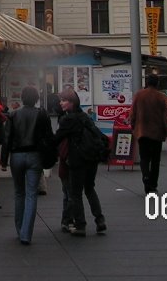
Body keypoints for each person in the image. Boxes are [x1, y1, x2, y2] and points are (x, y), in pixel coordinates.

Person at [0, 86, 55, 245]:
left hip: (16, 156)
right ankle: (26, 233)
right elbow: (48, 137)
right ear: (37, 98)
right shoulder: (42, 114)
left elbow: (7, 139)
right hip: (35, 156)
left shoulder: (13, 115)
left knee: (19, 193)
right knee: (31, 193)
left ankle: (19, 229)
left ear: (22, 98)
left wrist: (4, 161)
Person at [53, 89, 106, 237]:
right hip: (92, 158)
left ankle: (80, 224)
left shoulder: (67, 120)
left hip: (77, 160)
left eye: (64, 100)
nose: (61, 103)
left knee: (75, 193)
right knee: (90, 189)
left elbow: (57, 139)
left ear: (71, 103)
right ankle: (99, 220)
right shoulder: (85, 117)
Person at [128, 74, 167, 194]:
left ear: (147, 82)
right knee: (155, 160)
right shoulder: (161, 97)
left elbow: (132, 113)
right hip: (157, 133)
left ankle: (145, 177)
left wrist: (133, 126)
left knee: (144, 158)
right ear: (157, 83)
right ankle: (153, 184)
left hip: (142, 132)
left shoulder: (139, 95)